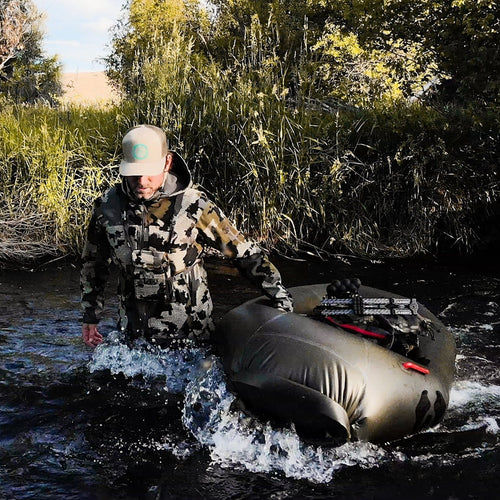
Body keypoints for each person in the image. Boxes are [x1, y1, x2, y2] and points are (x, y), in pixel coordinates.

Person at [80, 124, 293, 349]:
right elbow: (93, 264)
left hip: (192, 336)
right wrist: (90, 316)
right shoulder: (107, 207)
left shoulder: (194, 205)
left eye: (149, 171)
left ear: (167, 162)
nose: (142, 181)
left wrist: (281, 300)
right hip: (134, 337)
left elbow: (243, 253)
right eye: (135, 173)